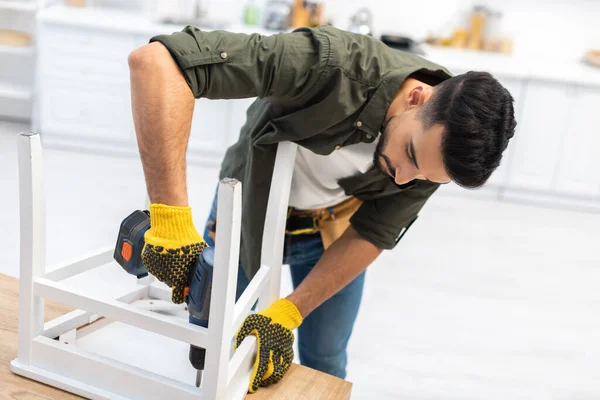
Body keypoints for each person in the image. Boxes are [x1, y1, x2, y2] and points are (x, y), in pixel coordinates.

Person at [127, 25, 516, 393]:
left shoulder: (437, 146)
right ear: (417, 97)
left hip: (331, 229)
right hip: (247, 215)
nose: (402, 180)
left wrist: (289, 312)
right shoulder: (329, 63)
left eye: (422, 175)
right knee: (218, 355)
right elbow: (157, 62)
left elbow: (374, 232)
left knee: (325, 363)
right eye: (410, 154)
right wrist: (171, 218)